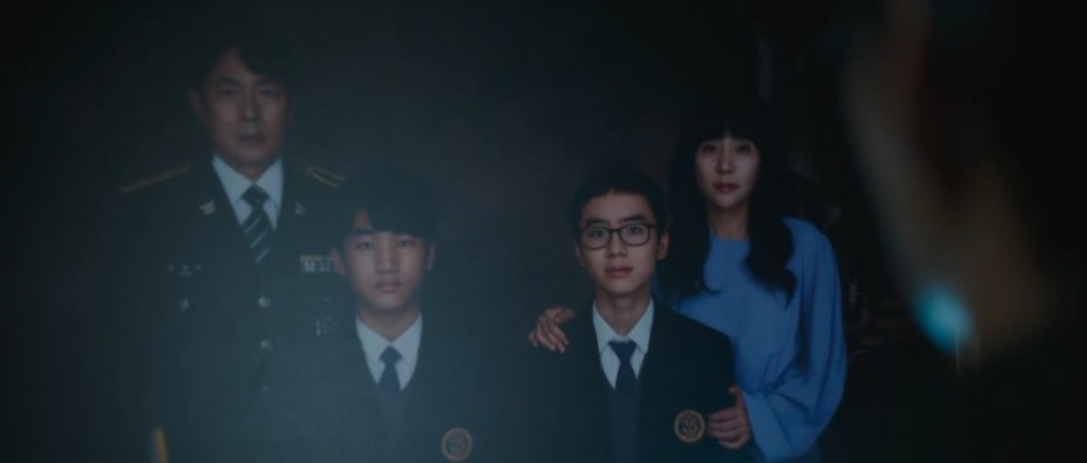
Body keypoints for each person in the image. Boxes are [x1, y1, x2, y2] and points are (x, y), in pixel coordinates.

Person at [529, 101, 847, 462]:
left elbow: (825, 367)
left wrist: (760, 418)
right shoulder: (668, 248)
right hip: (691, 441)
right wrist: (574, 323)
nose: (725, 165)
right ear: (690, 160)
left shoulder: (804, 247)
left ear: (763, 161)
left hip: (782, 449)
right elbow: (634, 324)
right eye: (709, 148)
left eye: (742, 149)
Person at [88, 20, 344, 463]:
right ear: (199, 105)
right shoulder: (147, 215)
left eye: (267, 92)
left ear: (291, 105)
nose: (250, 114)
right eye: (229, 93)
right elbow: (119, 368)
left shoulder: (338, 207)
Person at [520, 166, 751, 463]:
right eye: (598, 233)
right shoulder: (547, 355)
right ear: (578, 252)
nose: (616, 249)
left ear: (662, 244)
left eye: (634, 231)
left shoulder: (706, 350)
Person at [308, 168, 508, 463]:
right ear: (338, 260)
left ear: (430, 255)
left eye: (403, 243)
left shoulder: (482, 367)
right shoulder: (307, 373)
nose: (387, 263)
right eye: (367, 245)